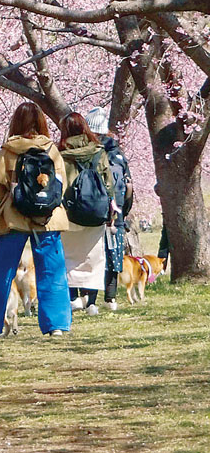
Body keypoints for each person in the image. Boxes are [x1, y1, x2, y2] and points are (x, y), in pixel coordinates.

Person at [0, 101, 71, 337]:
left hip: (14, 217)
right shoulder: (51, 150)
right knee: (51, 271)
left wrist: (12, 197)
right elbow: (62, 183)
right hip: (48, 218)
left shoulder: (9, 150)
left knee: (3, 272)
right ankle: (56, 325)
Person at [58, 113, 116, 316]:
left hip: (69, 213)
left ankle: (73, 298)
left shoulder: (60, 154)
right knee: (94, 258)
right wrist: (109, 210)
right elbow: (108, 183)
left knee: (69, 257)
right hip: (94, 212)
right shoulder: (99, 151)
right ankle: (91, 302)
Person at [85, 106, 134, 310]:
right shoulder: (118, 155)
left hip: (93, 212)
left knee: (93, 256)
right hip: (117, 214)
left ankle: (90, 301)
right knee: (113, 255)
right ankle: (111, 299)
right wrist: (123, 211)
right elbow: (129, 186)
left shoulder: (88, 153)